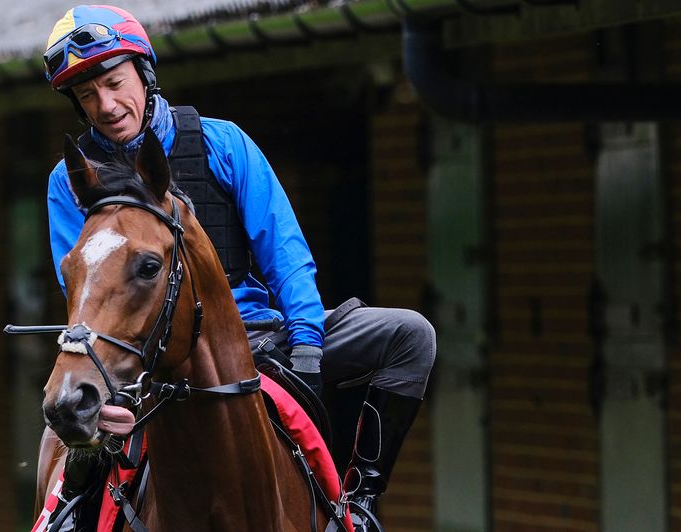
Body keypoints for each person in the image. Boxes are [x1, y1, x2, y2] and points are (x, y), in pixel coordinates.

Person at [42, 5, 436, 530]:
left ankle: (361, 501)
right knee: (67, 427)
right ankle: (67, 511)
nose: (107, 106)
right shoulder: (67, 182)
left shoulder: (222, 142)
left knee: (411, 336)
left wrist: (308, 345)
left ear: (144, 72)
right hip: (147, 357)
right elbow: (88, 297)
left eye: (115, 83)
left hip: (258, 337)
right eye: (88, 96)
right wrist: (114, 388)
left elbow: (286, 255)